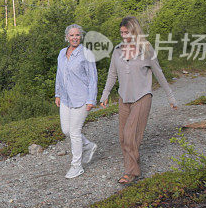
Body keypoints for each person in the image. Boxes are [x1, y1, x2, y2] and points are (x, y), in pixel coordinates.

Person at [99, 16, 178, 185]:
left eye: (126, 32)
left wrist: (170, 96)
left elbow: (159, 73)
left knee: (130, 135)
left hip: (142, 97)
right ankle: (133, 166)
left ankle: (131, 172)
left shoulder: (146, 50)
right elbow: (112, 74)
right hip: (123, 98)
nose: (123, 35)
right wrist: (105, 94)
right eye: (121, 32)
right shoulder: (118, 50)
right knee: (122, 137)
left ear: (134, 31)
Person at [54, 24, 98, 179]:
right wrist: (57, 93)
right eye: (71, 35)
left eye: (77, 35)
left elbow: (93, 79)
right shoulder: (61, 53)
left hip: (81, 98)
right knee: (66, 130)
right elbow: (59, 75)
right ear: (67, 37)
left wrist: (91, 100)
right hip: (65, 98)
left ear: (81, 36)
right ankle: (88, 146)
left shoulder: (86, 53)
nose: (74, 38)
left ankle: (76, 166)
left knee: (74, 132)